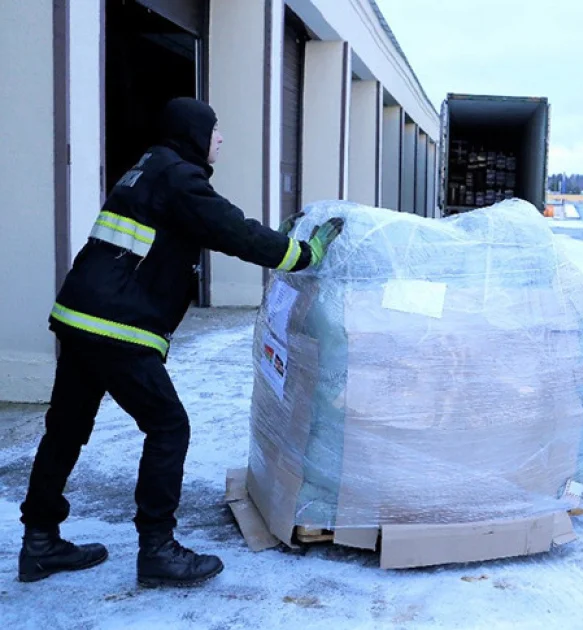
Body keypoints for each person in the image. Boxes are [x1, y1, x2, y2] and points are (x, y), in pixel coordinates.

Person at [18, 97, 344, 586]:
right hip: (115, 324)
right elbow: (232, 230)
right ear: (193, 132)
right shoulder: (178, 176)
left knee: (65, 428)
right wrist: (302, 253)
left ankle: (39, 541)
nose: (219, 139)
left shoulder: (146, 168)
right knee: (168, 426)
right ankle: (158, 549)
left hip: (80, 315)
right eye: (214, 130)